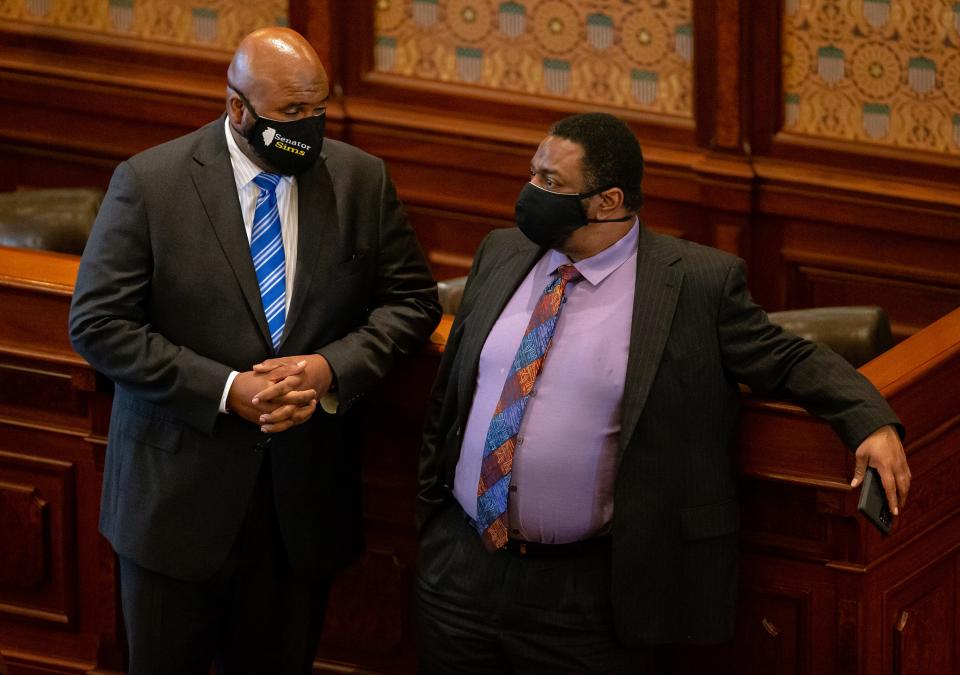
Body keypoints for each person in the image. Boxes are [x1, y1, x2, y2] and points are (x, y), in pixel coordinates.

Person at [415, 112, 910, 674]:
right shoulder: (502, 252)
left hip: (587, 592)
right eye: (533, 174)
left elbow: (788, 356)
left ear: (609, 201)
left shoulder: (695, 283)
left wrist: (869, 419)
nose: (531, 192)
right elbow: (452, 392)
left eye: (551, 183)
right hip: (459, 569)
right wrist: (433, 526)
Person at [69, 27, 441, 674]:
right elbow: (99, 324)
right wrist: (223, 388)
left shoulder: (360, 181)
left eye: (318, 108)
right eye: (292, 113)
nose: (311, 126)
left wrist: (330, 368)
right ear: (238, 108)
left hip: (298, 513)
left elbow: (412, 301)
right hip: (174, 506)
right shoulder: (152, 184)